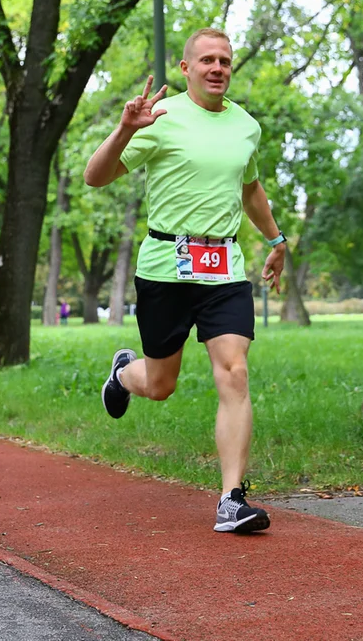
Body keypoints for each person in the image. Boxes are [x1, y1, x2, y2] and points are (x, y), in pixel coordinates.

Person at [83, 28, 287, 534]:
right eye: (207, 61)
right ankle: (124, 374)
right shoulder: (162, 116)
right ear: (186, 67)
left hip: (225, 268)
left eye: (225, 61)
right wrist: (125, 129)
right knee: (161, 384)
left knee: (234, 372)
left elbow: (251, 188)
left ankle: (232, 500)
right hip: (165, 267)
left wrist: (276, 239)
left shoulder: (245, 126)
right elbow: (95, 175)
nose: (217, 68)